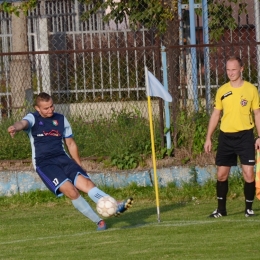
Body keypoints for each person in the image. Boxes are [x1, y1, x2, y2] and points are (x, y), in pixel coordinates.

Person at [7, 92, 133, 231]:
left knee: (87, 184)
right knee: (72, 191)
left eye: (51, 106)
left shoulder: (61, 119)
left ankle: (115, 205)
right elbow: (22, 123)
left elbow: (71, 144)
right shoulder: (33, 118)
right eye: (46, 108)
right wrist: (15, 128)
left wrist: (78, 164)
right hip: (45, 164)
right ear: (38, 108)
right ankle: (99, 222)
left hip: (63, 158)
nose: (50, 110)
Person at [204, 56, 260, 218]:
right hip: (226, 137)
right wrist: (208, 137)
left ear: (241, 69)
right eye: (228, 70)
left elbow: (257, 114)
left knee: (248, 173)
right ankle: (221, 210)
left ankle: (249, 209)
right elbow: (216, 114)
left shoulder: (251, 89)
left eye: (234, 69)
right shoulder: (222, 91)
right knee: (221, 174)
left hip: (245, 136)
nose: (231, 73)